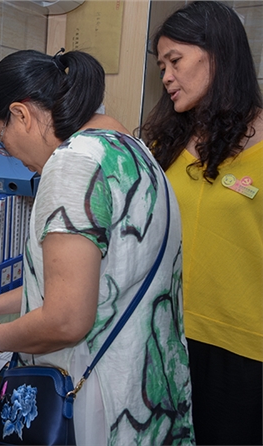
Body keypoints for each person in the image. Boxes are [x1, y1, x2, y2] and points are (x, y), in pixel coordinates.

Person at [0, 48, 194, 445]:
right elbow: (91, 280)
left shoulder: (71, 165)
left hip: (95, 404)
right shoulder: (133, 152)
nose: (9, 154)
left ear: (21, 115)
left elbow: (66, 319)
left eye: (1, 139)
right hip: (146, 395)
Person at [141, 2, 263, 445]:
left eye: (175, 61)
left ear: (219, 54)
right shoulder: (163, 143)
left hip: (244, 348)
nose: (167, 76)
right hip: (165, 335)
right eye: (162, 67)